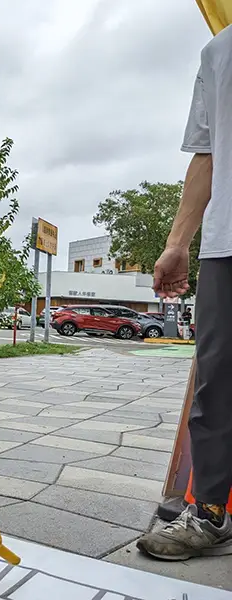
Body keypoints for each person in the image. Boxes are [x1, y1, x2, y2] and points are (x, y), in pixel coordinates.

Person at [136, 22, 232, 560]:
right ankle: (212, 512)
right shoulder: (220, 51)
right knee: (217, 382)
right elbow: (208, 153)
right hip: (227, 242)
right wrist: (178, 242)